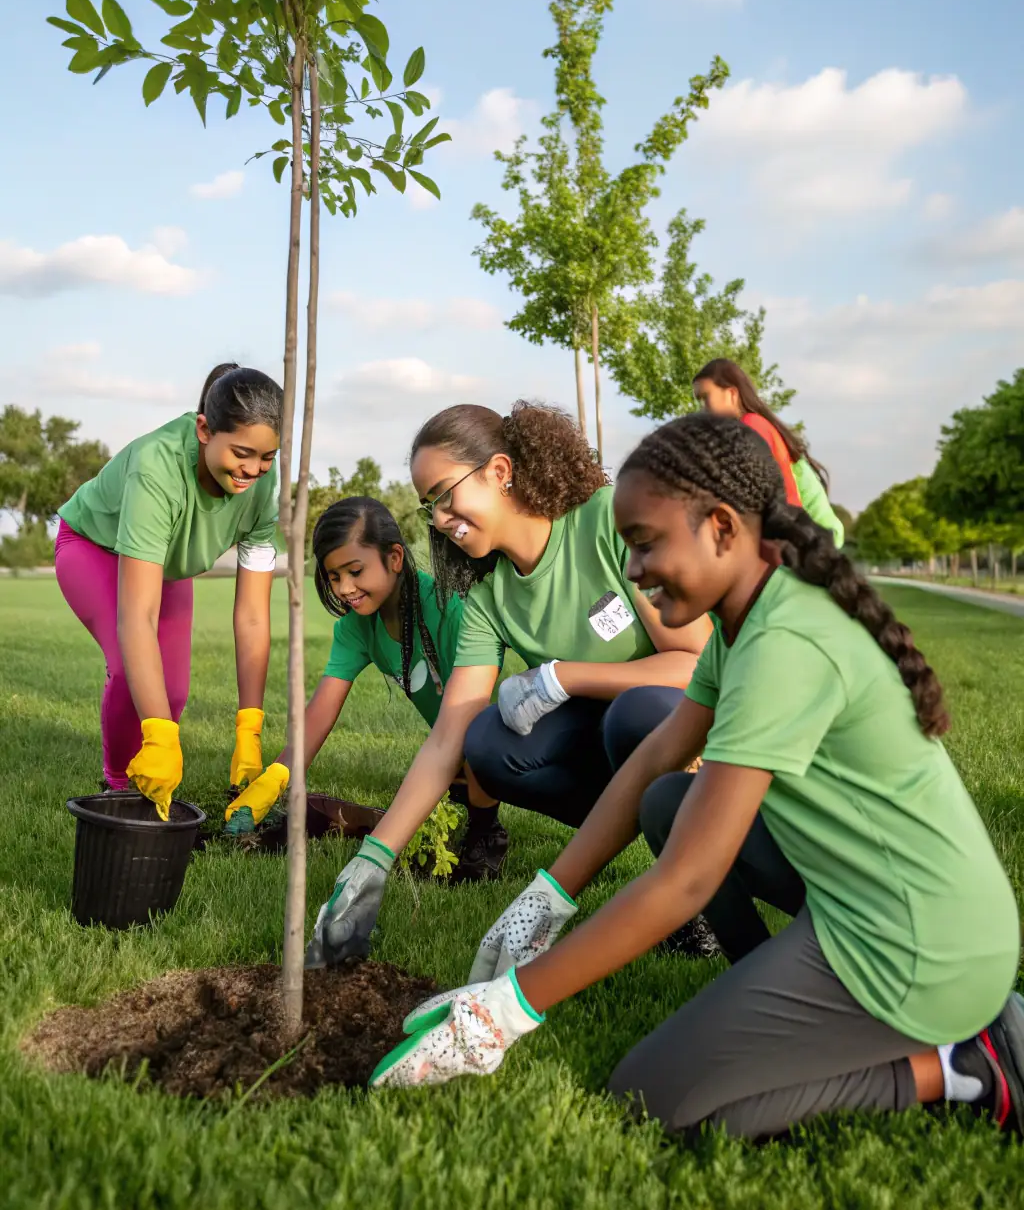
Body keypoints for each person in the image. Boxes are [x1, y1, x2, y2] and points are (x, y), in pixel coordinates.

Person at [369, 413, 1024, 1145]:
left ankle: (968, 1061)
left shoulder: (783, 640)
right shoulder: (747, 619)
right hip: (859, 900)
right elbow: (652, 761)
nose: (637, 569)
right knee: (668, 798)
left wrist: (508, 1007)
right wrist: (546, 894)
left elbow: (687, 877)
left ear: (719, 526)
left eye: (646, 546)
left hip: (919, 941)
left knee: (654, 1098)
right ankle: (772, 1000)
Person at [303, 401, 713, 970]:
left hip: (688, 727)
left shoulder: (605, 521)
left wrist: (562, 675)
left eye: (447, 494)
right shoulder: (488, 595)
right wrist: (374, 860)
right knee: (489, 745)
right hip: (610, 737)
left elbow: (697, 665)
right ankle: (649, 837)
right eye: (430, 507)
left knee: (634, 713)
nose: (441, 518)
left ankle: (698, 871)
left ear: (499, 471)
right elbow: (449, 736)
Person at [223, 496, 502, 879]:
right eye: (334, 576)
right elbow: (321, 710)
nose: (344, 588)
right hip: (448, 752)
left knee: (477, 748)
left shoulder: (447, 607)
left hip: (493, 741)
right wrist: (279, 775)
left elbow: (476, 709)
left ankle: (489, 833)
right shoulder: (356, 627)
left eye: (355, 571)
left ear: (395, 559)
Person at [55, 364, 283, 819]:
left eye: (267, 458)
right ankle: (120, 788)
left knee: (172, 691)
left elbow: (254, 615)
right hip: (94, 547)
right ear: (203, 429)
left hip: (169, 566)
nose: (253, 470)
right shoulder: (156, 465)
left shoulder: (261, 484)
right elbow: (136, 617)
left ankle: (149, 775)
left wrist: (249, 728)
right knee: (129, 669)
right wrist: (160, 738)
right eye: (242, 453)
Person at [693, 357, 845, 547]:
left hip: (811, 539)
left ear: (731, 394)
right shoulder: (753, 427)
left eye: (705, 398)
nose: (702, 409)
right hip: (806, 535)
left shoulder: (752, 427)